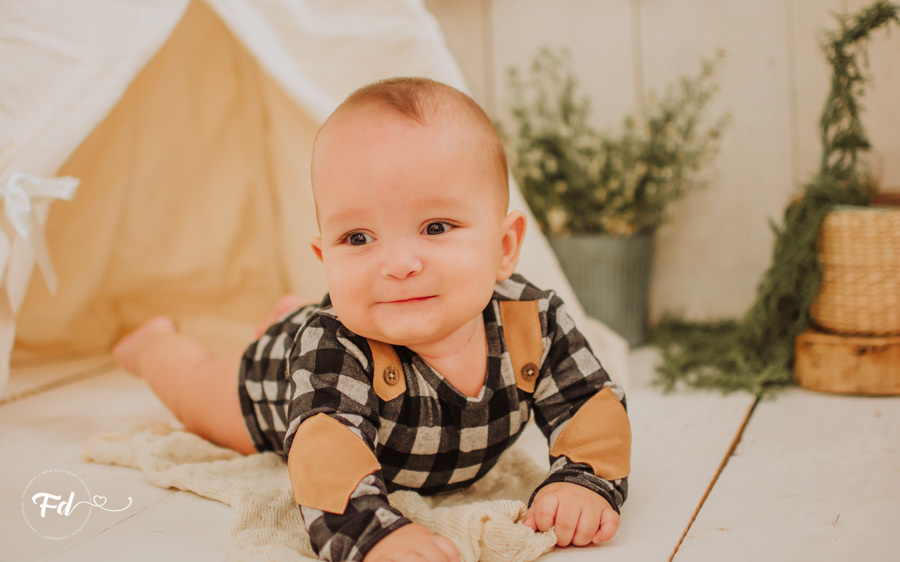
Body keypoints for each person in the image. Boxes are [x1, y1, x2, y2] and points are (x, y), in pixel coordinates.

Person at [113, 77, 631, 562]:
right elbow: (326, 456)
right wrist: (373, 533)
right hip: (273, 385)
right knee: (192, 387)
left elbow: (589, 407)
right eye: (357, 238)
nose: (399, 264)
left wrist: (582, 481)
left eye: (435, 226)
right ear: (327, 260)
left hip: (330, 340)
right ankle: (152, 346)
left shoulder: (532, 322)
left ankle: (286, 310)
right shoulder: (337, 341)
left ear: (503, 246)